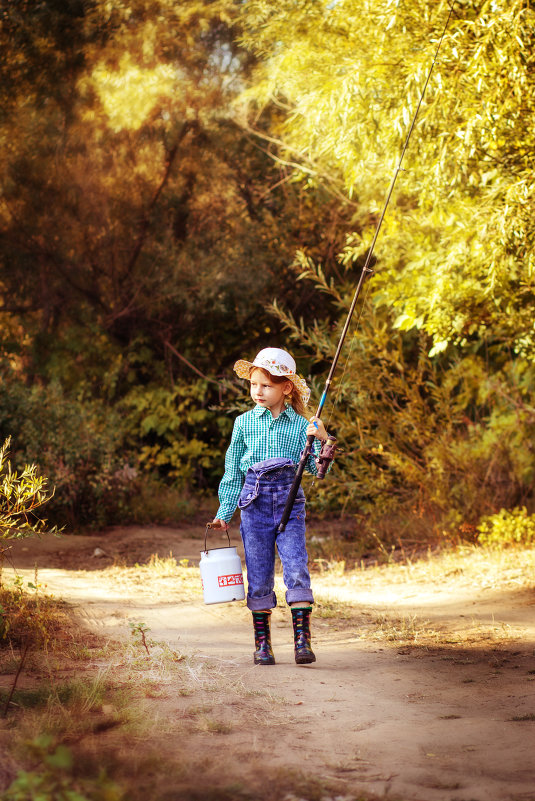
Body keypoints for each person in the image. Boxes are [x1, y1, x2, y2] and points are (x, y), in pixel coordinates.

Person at [211, 347, 329, 666]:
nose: (258, 391)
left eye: (266, 385)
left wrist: (323, 437)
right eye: (253, 385)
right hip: (254, 503)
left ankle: (301, 641)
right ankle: (263, 645)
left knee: (296, 567)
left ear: (285, 388)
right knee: (260, 574)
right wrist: (225, 513)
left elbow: (319, 469)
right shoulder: (244, 423)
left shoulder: (302, 425)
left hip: (290, 503)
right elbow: (233, 470)